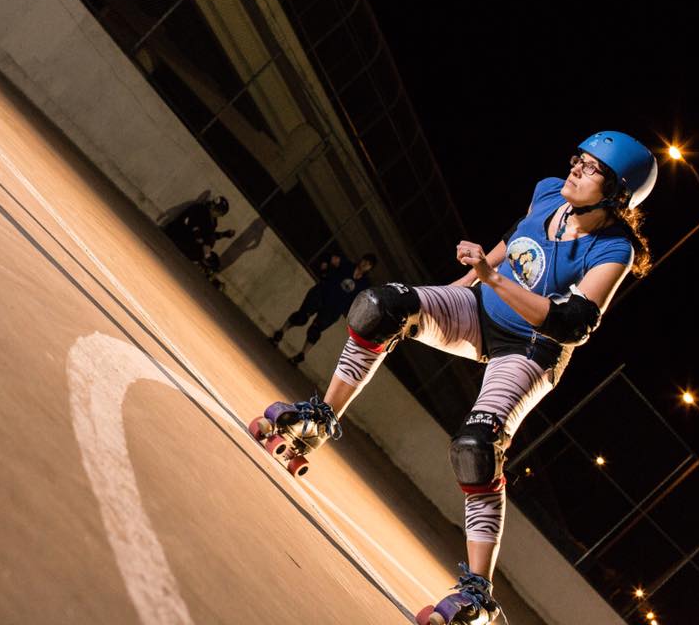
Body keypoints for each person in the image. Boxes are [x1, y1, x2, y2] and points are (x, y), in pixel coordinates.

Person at [261, 131, 657, 625]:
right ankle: (319, 419)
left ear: (618, 193)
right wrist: (448, 292)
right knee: (382, 306)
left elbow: (571, 325)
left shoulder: (613, 248)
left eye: (592, 168)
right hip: (479, 309)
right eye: (579, 159)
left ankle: (478, 595)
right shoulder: (548, 192)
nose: (576, 168)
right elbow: (512, 243)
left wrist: (493, 280)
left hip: (531, 350)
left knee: (476, 446)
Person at [270, 252, 378, 365]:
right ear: (361, 259)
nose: (365, 264)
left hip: (333, 309)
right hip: (321, 294)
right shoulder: (346, 265)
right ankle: (279, 334)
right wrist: (324, 270)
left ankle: (301, 355)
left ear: (370, 268)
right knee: (301, 317)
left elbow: (363, 303)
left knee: (315, 330)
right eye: (365, 261)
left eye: (368, 264)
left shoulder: (364, 285)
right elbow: (328, 257)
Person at [162, 194, 235, 268]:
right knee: (201, 250)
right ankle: (205, 258)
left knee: (207, 245)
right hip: (178, 234)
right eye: (217, 209)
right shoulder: (200, 209)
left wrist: (224, 234)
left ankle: (206, 259)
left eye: (220, 212)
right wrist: (199, 238)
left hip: (189, 239)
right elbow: (191, 223)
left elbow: (209, 235)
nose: (217, 213)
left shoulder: (213, 222)